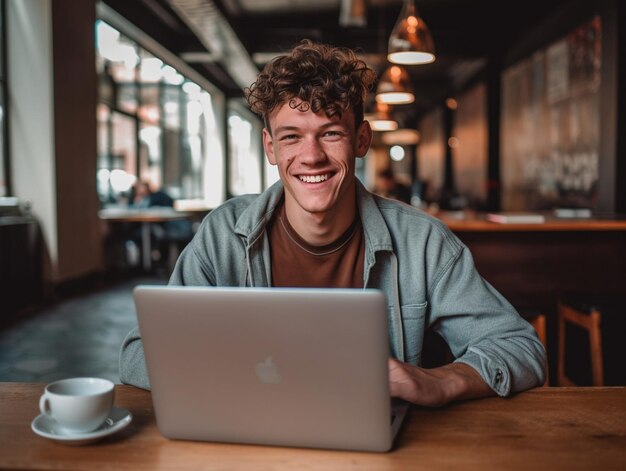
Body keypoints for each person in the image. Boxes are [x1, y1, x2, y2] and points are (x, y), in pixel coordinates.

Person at [119, 40, 546, 406]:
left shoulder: (422, 242)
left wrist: (439, 380)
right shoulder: (222, 236)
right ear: (270, 147)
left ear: (361, 139)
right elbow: (139, 353)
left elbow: (521, 348)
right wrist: (232, 379)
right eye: (291, 136)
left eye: (330, 133)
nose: (311, 156)